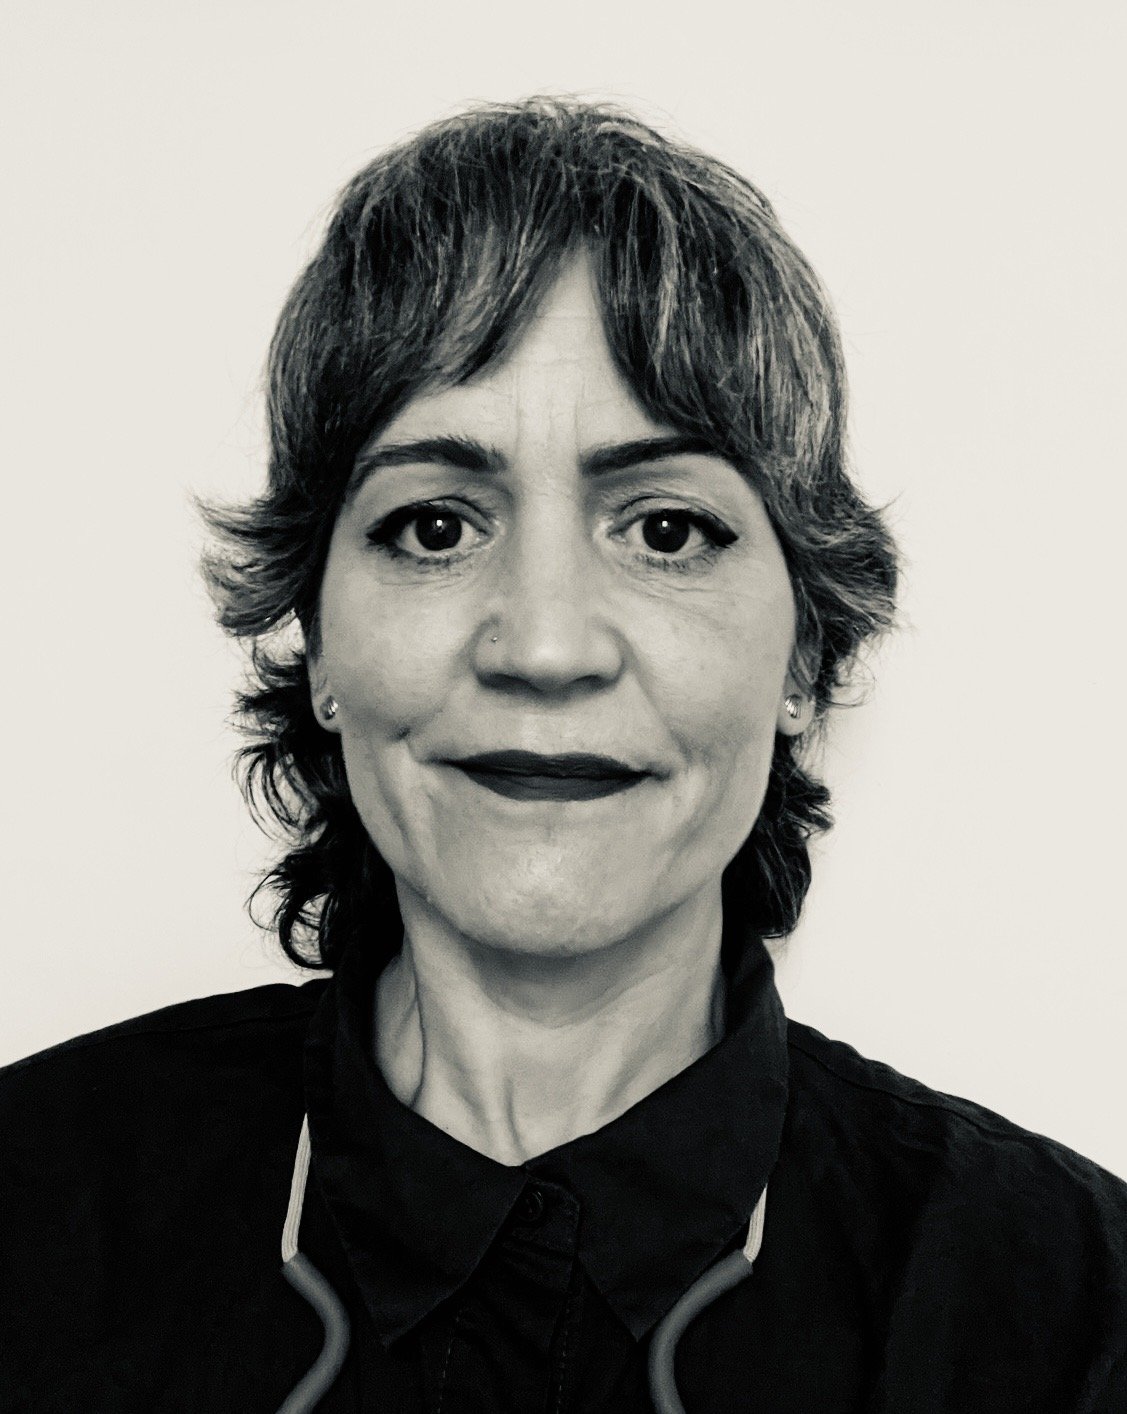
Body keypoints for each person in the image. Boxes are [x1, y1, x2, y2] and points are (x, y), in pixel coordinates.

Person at [2, 98, 1125, 1414]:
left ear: (807, 657)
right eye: (431, 525)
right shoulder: (26, 1218)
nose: (543, 643)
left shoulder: (1073, 1317)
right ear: (314, 640)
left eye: (663, 529)